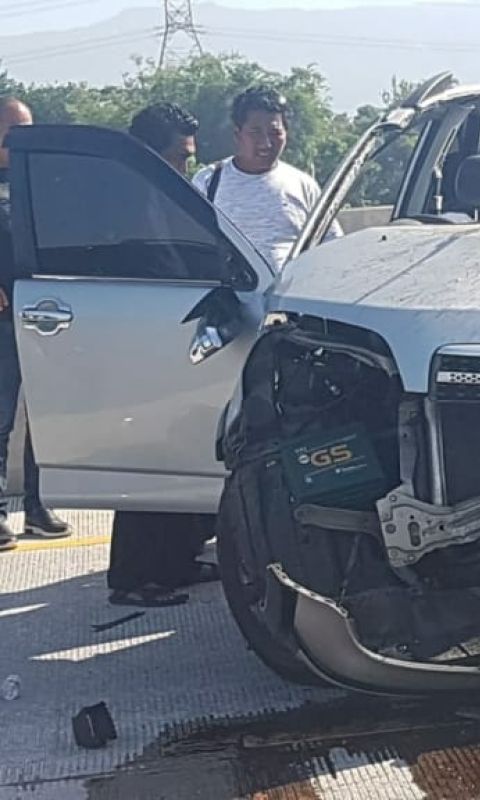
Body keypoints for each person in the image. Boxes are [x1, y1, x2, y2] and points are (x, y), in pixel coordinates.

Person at [106, 103, 218, 607]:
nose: (186, 167)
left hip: (168, 343)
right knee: (148, 459)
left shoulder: (162, 196)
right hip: (140, 346)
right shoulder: (128, 203)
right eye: (178, 157)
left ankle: (173, 563)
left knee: (177, 451)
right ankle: (133, 578)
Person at [0, 97, 72, 552]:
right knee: (0, 417)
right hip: (2, 318)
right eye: (10, 131)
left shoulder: (39, 185)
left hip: (44, 314)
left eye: (25, 129)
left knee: (45, 417)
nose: (18, 140)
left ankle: (38, 506)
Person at [192, 86, 340, 270]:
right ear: (238, 134)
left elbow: (332, 247)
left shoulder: (304, 185)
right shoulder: (207, 182)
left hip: (288, 296)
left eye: (274, 133)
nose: (266, 143)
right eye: (255, 133)